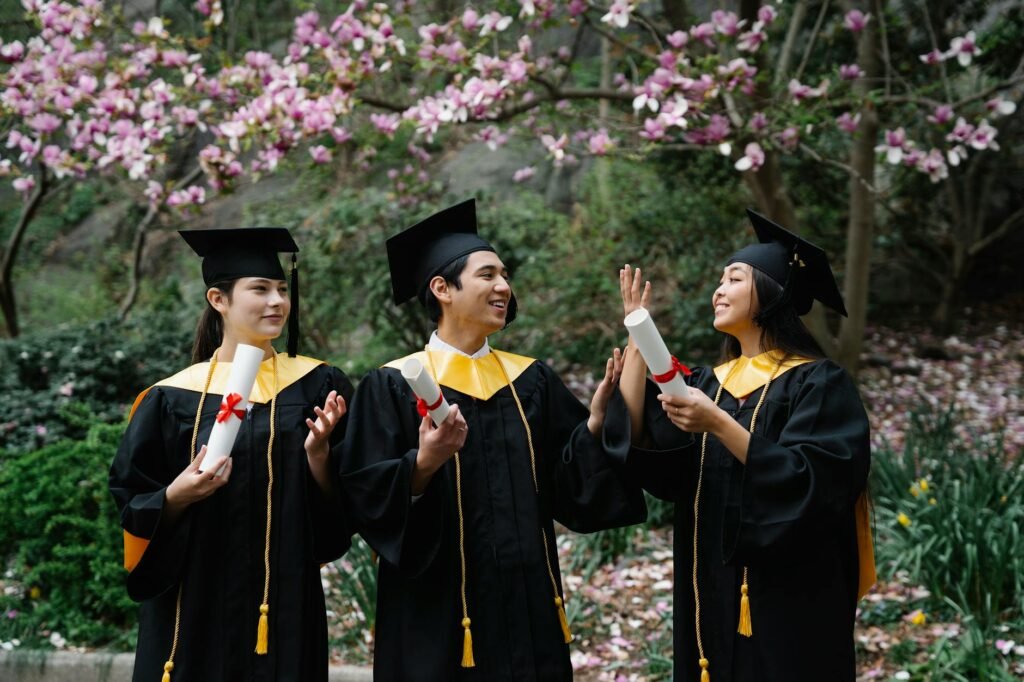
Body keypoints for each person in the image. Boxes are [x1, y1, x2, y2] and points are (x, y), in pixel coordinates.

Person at [339, 198, 647, 681]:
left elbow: (572, 483)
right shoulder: (392, 386)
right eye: (487, 275)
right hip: (437, 615)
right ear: (442, 288)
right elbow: (362, 494)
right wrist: (422, 463)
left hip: (527, 608)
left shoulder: (531, 380)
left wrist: (592, 424)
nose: (504, 286)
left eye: (504, 275)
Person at [613, 209, 875, 682]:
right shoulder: (710, 384)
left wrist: (718, 424)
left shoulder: (818, 383)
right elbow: (656, 453)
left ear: (773, 294)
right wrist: (638, 329)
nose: (718, 289)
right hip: (709, 584)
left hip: (788, 594)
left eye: (733, 278)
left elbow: (813, 482)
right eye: (719, 279)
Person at [109, 227, 354, 682]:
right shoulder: (170, 398)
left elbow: (344, 508)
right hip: (195, 599)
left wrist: (319, 457)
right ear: (218, 299)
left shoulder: (319, 385)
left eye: (282, 289)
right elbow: (131, 497)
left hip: (283, 598)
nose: (277, 301)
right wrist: (177, 495)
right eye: (260, 289)